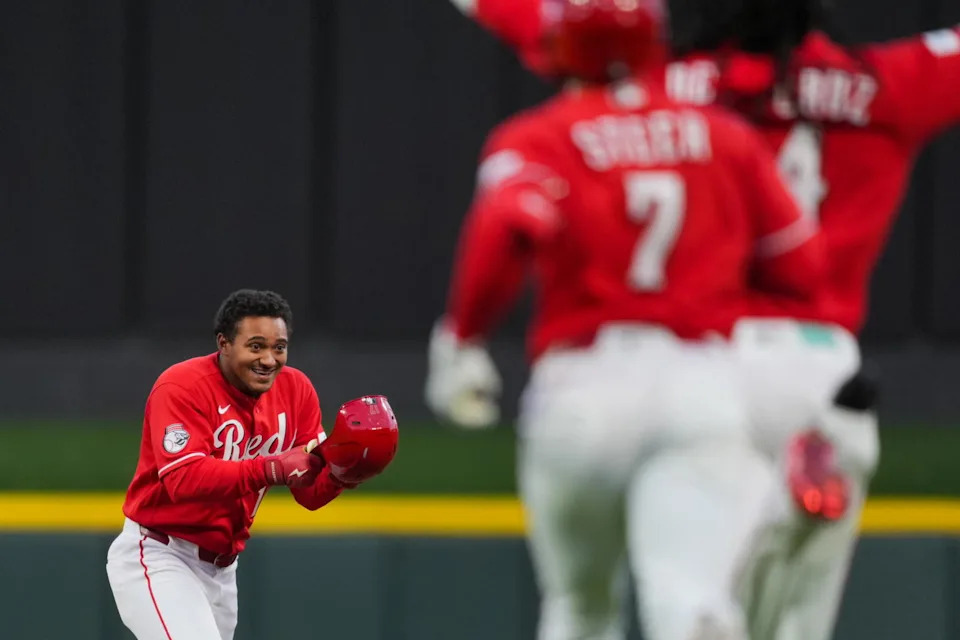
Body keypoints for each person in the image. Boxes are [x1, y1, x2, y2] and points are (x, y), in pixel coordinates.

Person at [446, 1, 960, 638]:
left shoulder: (665, 77)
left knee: (643, 597)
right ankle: (795, 507)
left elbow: (545, 21)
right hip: (819, 369)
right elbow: (801, 263)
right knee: (789, 622)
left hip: (705, 359)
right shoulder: (892, 82)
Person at [105, 288, 398, 640]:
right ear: (224, 343)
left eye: (279, 347)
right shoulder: (182, 387)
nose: (270, 359)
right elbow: (182, 479)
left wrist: (343, 472)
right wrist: (270, 468)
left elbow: (308, 493)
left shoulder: (297, 390)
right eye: (256, 346)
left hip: (223, 571)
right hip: (159, 553)